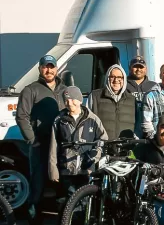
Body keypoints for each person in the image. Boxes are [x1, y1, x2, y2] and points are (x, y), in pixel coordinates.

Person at [16, 55, 67, 224]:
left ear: (57, 69)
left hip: (61, 146)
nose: (49, 70)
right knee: (38, 186)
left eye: (52, 66)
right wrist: (32, 140)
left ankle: (62, 220)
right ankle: (34, 220)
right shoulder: (30, 90)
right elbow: (22, 117)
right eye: (45, 67)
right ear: (40, 69)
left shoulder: (65, 90)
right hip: (41, 145)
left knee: (61, 186)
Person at [48, 86, 108, 202]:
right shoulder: (59, 120)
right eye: (66, 100)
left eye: (72, 99)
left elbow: (103, 140)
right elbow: (53, 147)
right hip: (67, 170)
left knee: (84, 202)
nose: (69, 103)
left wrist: (94, 157)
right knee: (69, 201)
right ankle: (68, 220)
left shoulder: (93, 119)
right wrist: (53, 170)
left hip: (87, 170)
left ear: (80, 100)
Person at [86, 64, 136, 140]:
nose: (116, 80)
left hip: (126, 147)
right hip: (102, 146)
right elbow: (87, 120)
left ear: (124, 79)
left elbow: (138, 125)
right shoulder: (95, 96)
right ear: (107, 78)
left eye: (119, 77)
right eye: (112, 77)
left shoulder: (132, 99)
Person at [125, 56, 158, 138]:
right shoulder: (123, 85)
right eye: (135, 67)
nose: (138, 69)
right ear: (130, 68)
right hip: (128, 127)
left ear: (146, 69)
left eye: (141, 67)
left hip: (148, 129)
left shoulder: (154, 86)